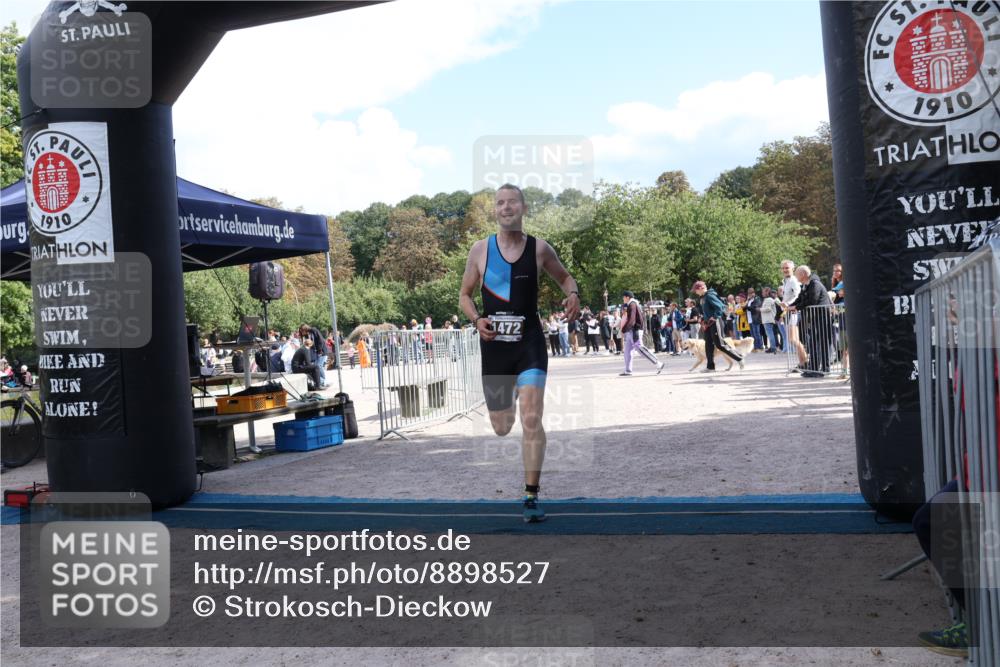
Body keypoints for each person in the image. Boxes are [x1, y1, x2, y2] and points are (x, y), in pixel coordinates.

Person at [459, 183, 580, 523]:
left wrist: (573, 293)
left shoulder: (540, 249)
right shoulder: (480, 250)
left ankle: (530, 495)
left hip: (529, 344)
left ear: (524, 208)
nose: (506, 207)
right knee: (501, 426)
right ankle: (506, 399)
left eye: (512, 202)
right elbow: (465, 296)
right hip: (495, 351)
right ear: (495, 210)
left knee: (531, 417)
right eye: (500, 203)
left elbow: (565, 278)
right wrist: (477, 318)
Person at [789, 265, 833, 377]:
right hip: (814, 318)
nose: (796, 277)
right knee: (813, 344)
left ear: (803, 274)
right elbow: (800, 299)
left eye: (797, 274)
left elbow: (812, 300)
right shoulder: (806, 285)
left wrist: (796, 307)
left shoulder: (814, 284)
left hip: (823, 318)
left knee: (822, 344)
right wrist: (790, 306)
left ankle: (824, 369)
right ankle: (813, 368)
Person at [692, 281, 744, 373]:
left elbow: (720, 307)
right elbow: (707, 311)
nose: (695, 292)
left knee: (720, 344)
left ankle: (739, 358)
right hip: (708, 323)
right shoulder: (703, 297)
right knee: (708, 345)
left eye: (696, 290)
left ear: (700, 288)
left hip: (716, 322)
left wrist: (715, 317)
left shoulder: (709, 295)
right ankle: (710, 367)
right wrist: (703, 318)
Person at [619, 291, 663, 376]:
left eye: (623, 297)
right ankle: (628, 370)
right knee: (627, 351)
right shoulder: (632, 304)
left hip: (634, 330)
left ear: (627, 297)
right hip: (631, 330)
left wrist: (625, 329)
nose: (623, 299)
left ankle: (658, 363)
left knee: (640, 348)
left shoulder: (632, 304)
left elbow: (632, 319)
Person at [780, 259, 806, 368]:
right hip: (789, 312)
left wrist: (788, 304)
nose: (785, 270)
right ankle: (802, 362)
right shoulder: (785, 281)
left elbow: (798, 294)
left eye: (787, 268)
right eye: (784, 268)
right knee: (794, 339)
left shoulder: (793, 280)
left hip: (795, 312)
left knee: (793, 339)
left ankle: (804, 361)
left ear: (792, 269)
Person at [299, 323, 327, 388]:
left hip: (322, 351)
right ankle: (321, 381)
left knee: (319, 366)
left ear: (305, 329)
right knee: (317, 366)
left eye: (302, 331)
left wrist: (320, 350)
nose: (302, 333)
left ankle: (323, 381)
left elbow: (320, 340)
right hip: (316, 352)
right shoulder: (307, 335)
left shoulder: (314, 330)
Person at [760, 287, 778, 354]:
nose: (762, 293)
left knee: (770, 334)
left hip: (768, 319)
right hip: (767, 319)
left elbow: (768, 309)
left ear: (767, 292)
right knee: (769, 334)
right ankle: (772, 347)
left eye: (763, 292)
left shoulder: (769, 299)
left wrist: (760, 309)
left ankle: (773, 348)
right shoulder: (768, 299)